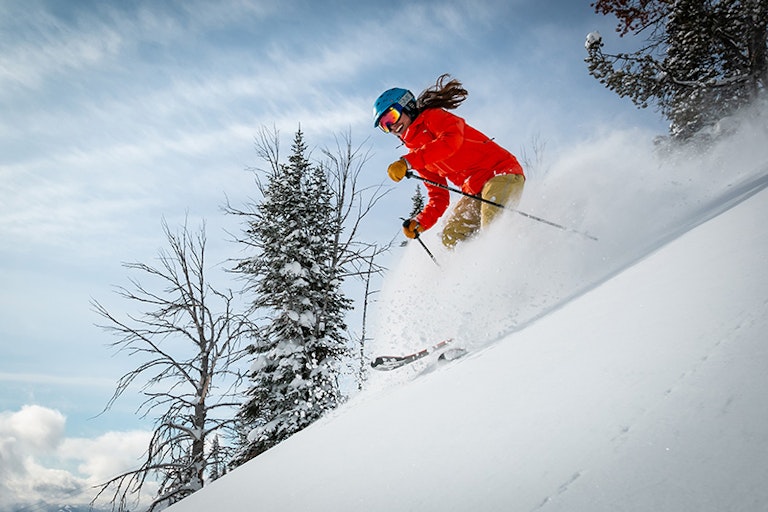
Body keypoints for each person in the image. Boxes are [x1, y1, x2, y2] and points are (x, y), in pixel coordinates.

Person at [373, 74, 525, 248]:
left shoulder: (434, 117)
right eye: (384, 125)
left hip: (500, 173)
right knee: (451, 236)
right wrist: (421, 222)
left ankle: (510, 257)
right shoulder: (416, 154)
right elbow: (439, 196)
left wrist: (407, 162)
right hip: (475, 191)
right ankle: (476, 270)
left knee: (492, 223)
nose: (392, 126)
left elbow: (450, 142)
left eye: (392, 117)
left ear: (407, 106)